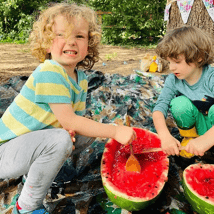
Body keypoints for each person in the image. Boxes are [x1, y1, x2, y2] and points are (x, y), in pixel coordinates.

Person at [0, 3, 136, 214]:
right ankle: (26, 207)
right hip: (4, 153)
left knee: (84, 133)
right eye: (61, 34)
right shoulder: (50, 72)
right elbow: (70, 122)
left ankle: (37, 174)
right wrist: (114, 131)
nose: (71, 41)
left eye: (79, 36)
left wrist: (76, 131)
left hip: (29, 146)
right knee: (63, 138)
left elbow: (76, 125)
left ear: (89, 45)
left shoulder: (80, 79)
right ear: (46, 44)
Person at [152, 25, 214, 158]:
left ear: (199, 57)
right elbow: (159, 108)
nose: (172, 68)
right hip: (198, 126)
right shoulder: (173, 80)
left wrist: (207, 140)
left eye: (177, 61)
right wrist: (164, 136)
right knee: (179, 103)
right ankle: (190, 139)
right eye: (169, 62)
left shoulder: (211, 77)